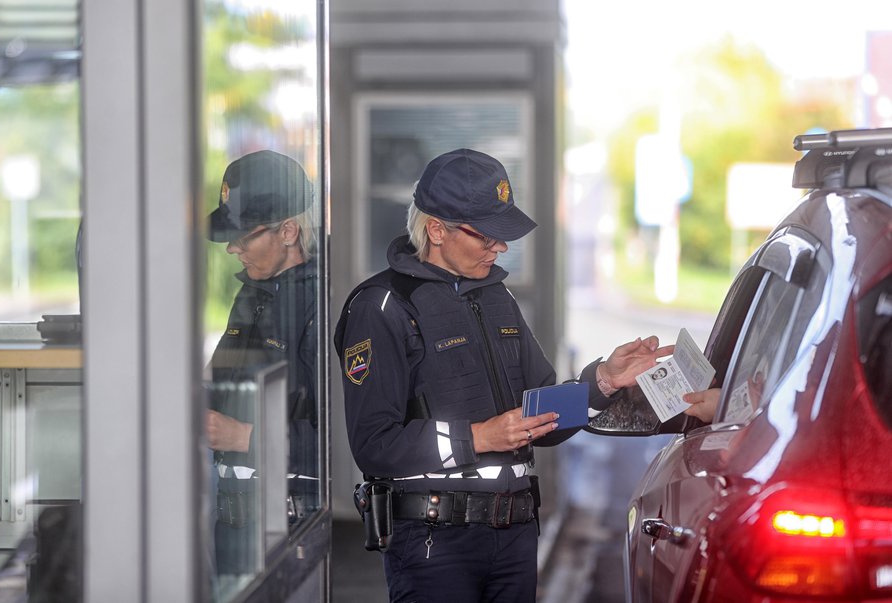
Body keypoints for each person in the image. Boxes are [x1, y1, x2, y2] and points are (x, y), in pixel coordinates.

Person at [333, 148, 673, 602]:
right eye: (486, 235)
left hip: (514, 535)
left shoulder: (498, 298)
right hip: (433, 545)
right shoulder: (382, 306)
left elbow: (539, 416)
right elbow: (374, 444)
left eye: (503, 234)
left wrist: (603, 382)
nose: (501, 246)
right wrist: (477, 437)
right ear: (436, 229)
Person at [205, 150, 318, 577]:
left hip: (290, 528)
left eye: (244, 237)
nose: (233, 249)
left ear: (288, 231)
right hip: (234, 521)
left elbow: (346, 438)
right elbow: (225, 385)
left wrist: (246, 437)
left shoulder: (321, 305)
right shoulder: (251, 294)